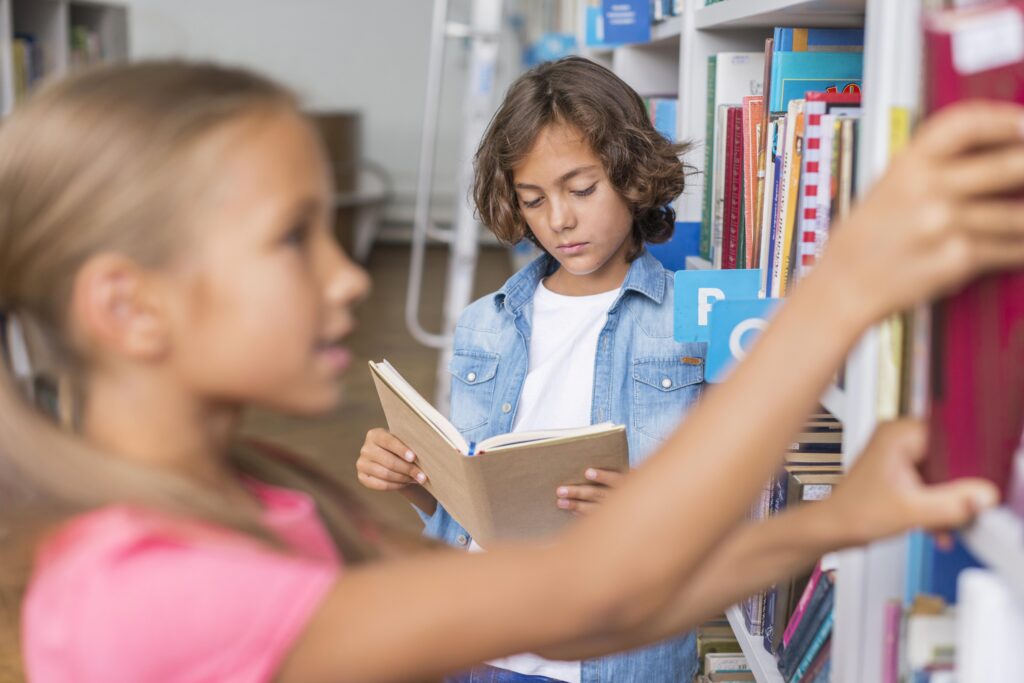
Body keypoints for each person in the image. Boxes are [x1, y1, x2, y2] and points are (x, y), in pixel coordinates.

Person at [2, 61, 1022, 683]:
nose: (350, 275)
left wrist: (834, 520)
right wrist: (839, 288)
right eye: (292, 237)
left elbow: (586, 608)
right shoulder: (157, 586)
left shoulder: (261, 495)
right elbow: (592, 581)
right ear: (127, 304)